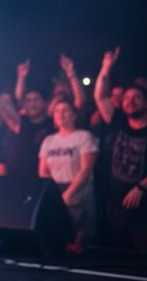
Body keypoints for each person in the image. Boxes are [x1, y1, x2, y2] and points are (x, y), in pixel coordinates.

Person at [94, 47, 147, 251]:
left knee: (144, 258)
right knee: (116, 257)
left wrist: (141, 188)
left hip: (145, 208)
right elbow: (101, 97)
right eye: (127, 98)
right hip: (116, 205)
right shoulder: (118, 121)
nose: (130, 101)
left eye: (136, 98)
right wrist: (105, 68)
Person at [38, 99, 98, 252]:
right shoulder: (49, 140)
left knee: (78, 240)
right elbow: (43, 171)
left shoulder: (84, 136)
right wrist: (52, 196)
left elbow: (87, 168)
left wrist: (69, 193)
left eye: (65, 110)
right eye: (57, 111)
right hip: (56, 189)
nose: (61, 114)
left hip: (79, 190)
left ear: (74, 115)